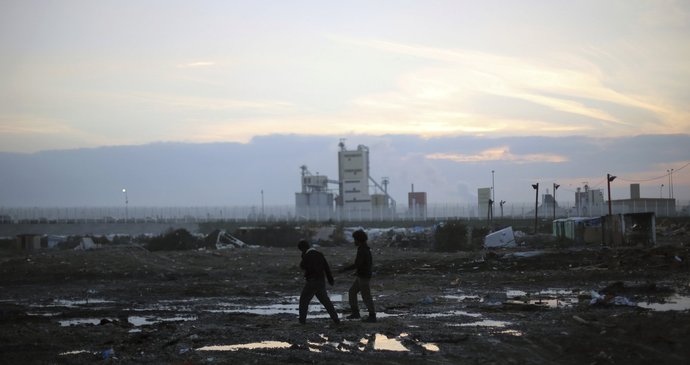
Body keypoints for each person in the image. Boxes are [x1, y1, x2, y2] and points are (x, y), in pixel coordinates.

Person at [297, 240, 340, 325]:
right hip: (321, 281)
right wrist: (330, 279)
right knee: (325, 301)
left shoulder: (307, 255)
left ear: (302, 249)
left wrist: (303, 256)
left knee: (304, 300)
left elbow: (302, 266)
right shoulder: (319, 254)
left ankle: (302, 321)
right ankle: (336, 320)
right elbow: (326, 267)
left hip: (312, 281)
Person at [342, 229, 376, 322]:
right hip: (362, 275)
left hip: (363, 276)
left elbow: (357, 264)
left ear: (358, 239)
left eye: (355, 239)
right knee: (352, 292)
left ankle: (372, 315)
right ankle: (355, 313)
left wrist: (345, 269)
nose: (354, 241)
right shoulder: (364, 248)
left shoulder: (363, 250)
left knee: (366, 296)